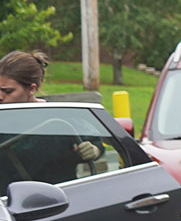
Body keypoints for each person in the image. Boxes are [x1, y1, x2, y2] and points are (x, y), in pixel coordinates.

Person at [0, 51, 104, 184]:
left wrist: (93, 151)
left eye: (7, 91)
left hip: (58, 198)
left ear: (32, 89)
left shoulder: (60, 117)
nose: (0, 96)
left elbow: (96, 143)